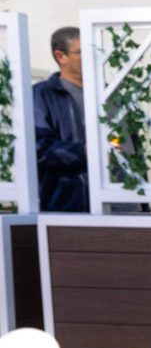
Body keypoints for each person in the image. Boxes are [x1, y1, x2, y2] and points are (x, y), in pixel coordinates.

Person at [32, 26, 90, 212]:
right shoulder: (41, 95)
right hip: (70, 208)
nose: (92, 57)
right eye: (82, 52)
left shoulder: (108, 94)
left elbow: (131, 148)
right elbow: (40, 149)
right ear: (60, 56)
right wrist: (83, 152)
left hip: (124, 204)